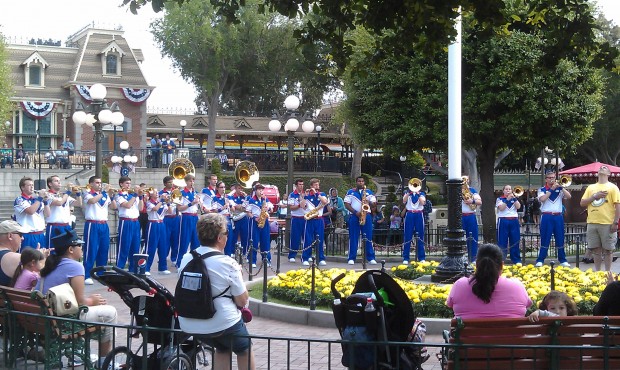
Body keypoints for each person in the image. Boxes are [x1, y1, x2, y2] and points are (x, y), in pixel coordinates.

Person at [177, 213, 255, 370]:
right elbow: (242, 300)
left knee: (222, 347)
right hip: (222, 321)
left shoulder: (187, 258)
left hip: (189, 321)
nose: (227, 236)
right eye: (226, 233)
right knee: (244, 349)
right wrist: (238, 275)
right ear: (220, 238)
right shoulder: (227, 262)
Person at [37, 229, 118, 368]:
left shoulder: (51, 263)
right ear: (70, 249)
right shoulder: (75, 266)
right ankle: (104, 361)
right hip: (61, 321)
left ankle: (76, 356)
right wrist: (92, 301)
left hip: (42, 318)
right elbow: (80, 303)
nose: (82, 248)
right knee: (110, 313)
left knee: (98, 314)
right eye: (79, 245)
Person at [446, 243, 532, 319]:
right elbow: (528, 305)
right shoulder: (517, 287)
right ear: (502, 265)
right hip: (511, 337)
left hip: (470, 337)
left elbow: (450, 304)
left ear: (476, 264)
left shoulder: (460, 285)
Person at [580, 165, 620, 271]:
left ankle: (608, 273)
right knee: (595, 250)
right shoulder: (591, 188)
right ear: (597, 173)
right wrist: (594, 197)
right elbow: (582, 203)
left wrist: (615, 222)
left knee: (608, 250)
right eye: (601, 168)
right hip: (592, 222)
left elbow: (618, 206)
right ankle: (598, 272)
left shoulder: (613, 187)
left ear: (609, 174)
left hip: (607, 223)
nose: (602, 168)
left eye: (605, 168)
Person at [535, 171, 572, 267]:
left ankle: (562, 259)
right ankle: (540, 259)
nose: (552, 179)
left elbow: (569, 196)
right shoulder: (542, 189)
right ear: (546, 179)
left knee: (560, 237)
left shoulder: (560, 189)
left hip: (558, 216)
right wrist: (551, 189)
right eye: (550, 177)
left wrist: (562, 188)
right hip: (547, 216)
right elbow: (542, 199)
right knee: (545, 238)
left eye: (553, 177)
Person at [82, 176, 113, 285]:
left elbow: (113, 207)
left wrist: (112, 195)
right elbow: (92, 201)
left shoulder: (104, 195)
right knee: (91, 249)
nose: (99, 184)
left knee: (104, 249)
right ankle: (86, 274)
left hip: (104, 224)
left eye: (100, 182)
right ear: (91, 184)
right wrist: (104, 192)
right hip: (92, 224)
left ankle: (101, 273)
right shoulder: (87, 193)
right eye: (97, 183)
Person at [344, 176, 377, 265]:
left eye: (362, 181)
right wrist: (355, 212)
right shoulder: (351, 192)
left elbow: (374, 205)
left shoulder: (369, 192)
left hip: (367, 215)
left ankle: (370, 258)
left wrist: (368, 202)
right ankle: (351, 258)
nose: (361, 183)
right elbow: (346, 204)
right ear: (356, 182)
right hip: (354, 216)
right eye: (359, 181)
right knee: (353, 237)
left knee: (368, 237)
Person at [114, 176, 142, 273]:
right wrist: (135, 195)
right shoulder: (119, 196)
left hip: (135, 222)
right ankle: (119, 268)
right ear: (121, 184)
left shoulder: (133, 196)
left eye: (130, 183)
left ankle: (133, 269)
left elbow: (141, 208)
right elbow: (127, 205)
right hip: (126, 222)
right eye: (127, 183)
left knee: (135, 246)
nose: (129, 185)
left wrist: (141, 197)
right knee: (124, 246)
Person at [44, 175, 82, 246]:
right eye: (56, 181)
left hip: (66, 226)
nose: (59, 183)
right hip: (54, 226)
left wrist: (78, 193)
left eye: (59, 181)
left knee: (66, 250)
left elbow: (79, 203)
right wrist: (68, 192)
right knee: (53, 249)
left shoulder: (63, 195)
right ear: (50, 184)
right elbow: (59, 203)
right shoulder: (48, 195)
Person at [14, 177, 47, 250]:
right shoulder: (19, 199)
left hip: (40, 234)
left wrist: (46, 201)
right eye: (29, 185)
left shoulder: (36, 200)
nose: (32, 187)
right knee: (27, 260)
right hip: (27, 235)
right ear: (22, 187)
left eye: (32, 185)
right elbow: (30, 211)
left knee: (42, 259)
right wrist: (40, 198)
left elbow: (47, 214)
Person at [145, 187, 171, 275]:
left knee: (163, 246)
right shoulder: (149, 203)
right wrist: (162, 201)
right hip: (153, 224)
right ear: (150, 194)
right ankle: (146, 268)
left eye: (157, 192)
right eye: (155, 192)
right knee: (151, 247)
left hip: (161, 224)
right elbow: (155, 209)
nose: (157, 193)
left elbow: (170, 212)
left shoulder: (161, 202)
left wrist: (168, 203)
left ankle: (163, 267)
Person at [176, 174, 201, 267]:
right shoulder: (181, 193)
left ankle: (195, 263)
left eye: (193, 181)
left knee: (196, 241)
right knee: (184, 240)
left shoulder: (195, 193)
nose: (192, 183)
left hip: (195, 217)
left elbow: (198, 207)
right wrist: (192, 203)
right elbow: (179, 208)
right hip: (186, 217)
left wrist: (199, 204)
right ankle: (180, 263)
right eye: (190, 181)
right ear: (186, 182)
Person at [301, 179, 328, 266]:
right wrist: (305, 196)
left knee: (320, 239)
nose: (317, 186)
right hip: (310, 220)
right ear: (311, 186)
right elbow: (302, 206)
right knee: (308, 239)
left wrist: (317, 194)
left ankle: (321, 258)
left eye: (318, 185)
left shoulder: (322, 194)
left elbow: (325, 202)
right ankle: (305, 257)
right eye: (315, 185)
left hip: (319, 219)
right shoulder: (307, 195)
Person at [246, 184, 273, 267]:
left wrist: (268, 209)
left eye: (262, 190)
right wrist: (254, 218)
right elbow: (248, 212)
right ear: (255, 191)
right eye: (259, 190)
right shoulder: (251, 200)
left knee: (265, 241)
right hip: (255, 222)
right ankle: (252, 260)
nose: (261, 191)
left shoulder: (265, 199)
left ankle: (266, 259)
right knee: (253, 241)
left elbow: (271, 209)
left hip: (264, 222)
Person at [496, 185, 522, 264]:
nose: (508, 190)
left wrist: (514, 198)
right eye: (506, 189)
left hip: (514, 220)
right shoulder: (499, 199)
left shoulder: (514, 199)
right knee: (502, 240)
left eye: (510, 189)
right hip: (503, 220)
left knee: (515, 239)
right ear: (503, 191)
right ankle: (501, 259)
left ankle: (516, 259)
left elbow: (518, 207)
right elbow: (501, 208)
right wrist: (507, 200)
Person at [402, 182, 426, 264]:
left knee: (420, 236)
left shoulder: (422, 193)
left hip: (419, 214)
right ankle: (406, 258)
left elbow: (423, 203)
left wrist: (418, 194)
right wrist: (409, 193)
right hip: (410, 214)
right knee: (407, 236)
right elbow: (404, 201)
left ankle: (421, 257)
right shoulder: (407, 193)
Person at [160, 176, 181, 264]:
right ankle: (163, 257)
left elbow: (178, 203)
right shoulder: (161, 193)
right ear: (165, 183)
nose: (171, 184)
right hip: (166, 218)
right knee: (165, 239)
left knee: (176, 238)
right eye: (169, 182)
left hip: (176, 217)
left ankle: (174, 258)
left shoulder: (176, 191)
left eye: (172, 182)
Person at [0, 220, 27, 286]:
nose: (22, 238)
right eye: (20, 234)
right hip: (9, 296)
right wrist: (40, 258)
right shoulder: (15, 258)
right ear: (10, 236)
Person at [211, 181, 234, 256]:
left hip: (228, 218)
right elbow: (214, 211)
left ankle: (228, 255)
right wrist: (223, 208)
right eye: (221, 187)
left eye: (224, 187)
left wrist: (230, 205)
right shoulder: (215, 198)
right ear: (217, 188)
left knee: (229, 239)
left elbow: (233, 209)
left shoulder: (228, 197)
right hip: (220, 219)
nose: (223, 189)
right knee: (219, 239)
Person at [462, 176, 482, 262]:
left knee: (472, 237)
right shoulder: (456, 190)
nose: (464, 181)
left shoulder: (472, 190)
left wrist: (472, 201)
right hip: (460, 216)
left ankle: (473, 259)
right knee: (458, 238)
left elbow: (479, 202)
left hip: (470, 215)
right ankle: (460, 258)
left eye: (466, 179)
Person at [228, 183, 250, 260]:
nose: (241, 190)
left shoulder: (244, 197)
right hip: (236, 219)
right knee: (234, 236)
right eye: (239, 188)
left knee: (245, 236)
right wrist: (240, 207)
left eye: (242, 189)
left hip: (244, 218)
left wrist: (246, 196)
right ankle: (232, 252)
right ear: (236, 189)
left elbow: (246, 207)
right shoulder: (231, 197)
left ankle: (245, 253)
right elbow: (236, 206)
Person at [287, 179, 307, 262]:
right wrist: (299, 205)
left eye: (302, 184)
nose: (301, 186)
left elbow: (307, 206)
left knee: (306, 238)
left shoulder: (305, 194)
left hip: (305, 217)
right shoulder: (292, 195)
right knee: (295, 237)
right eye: (299, 184)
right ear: (296, 185)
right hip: (296, 218)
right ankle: (292, 255)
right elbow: (291, 207)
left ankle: (306, 255)